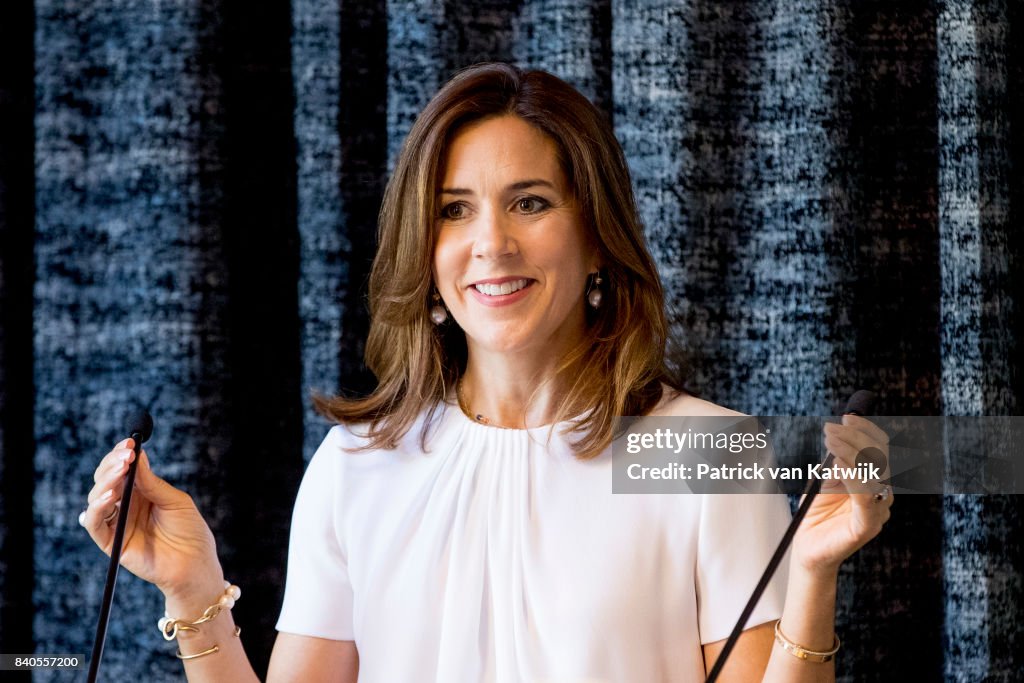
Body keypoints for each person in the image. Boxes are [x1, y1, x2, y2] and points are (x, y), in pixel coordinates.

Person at [81, 63, 893, 682]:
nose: (491, 243)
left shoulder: (709, 454)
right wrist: (193, 591)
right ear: (424, 249)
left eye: (531, 202)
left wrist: (812, 574)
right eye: (454, 208)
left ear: (597, 237)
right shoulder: (354, 465)